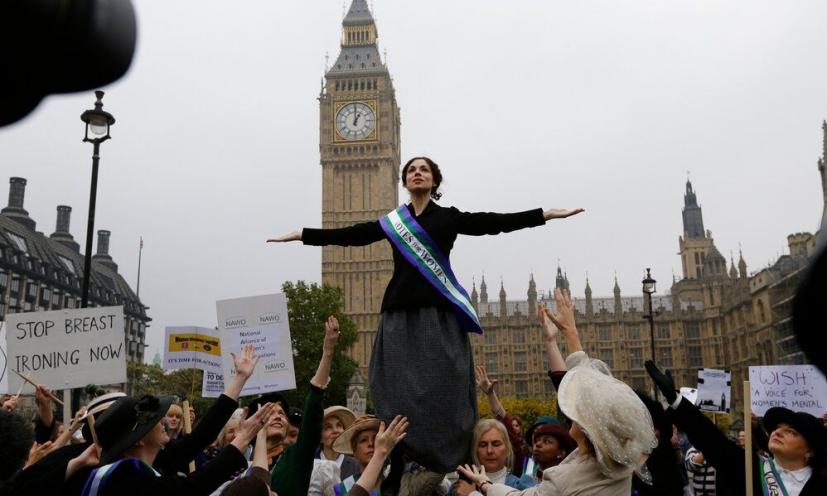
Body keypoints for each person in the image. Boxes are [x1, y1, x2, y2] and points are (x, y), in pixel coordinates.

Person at [269, 156, 584, 483]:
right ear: (404, 181)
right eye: (411, 170)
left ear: (434, 181)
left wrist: (543, 215)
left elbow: (492, 222)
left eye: (424, 170)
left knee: (447, 385)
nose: (417, 173)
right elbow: (353, 234)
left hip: (438, 315)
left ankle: (450, 462)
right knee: (393, 387)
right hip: (398, 315)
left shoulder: (447, 217)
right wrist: (303, 234)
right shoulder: (394, 221)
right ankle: (400, 458)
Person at [458, 287, 657, 495]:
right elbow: (589, 388)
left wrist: (483, 486)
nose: (574, 414)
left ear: (590, 429)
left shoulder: (563, 478)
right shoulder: (622, 462)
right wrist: (569, 334)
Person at [647, 360, 827, 495]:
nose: (778, 432)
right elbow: (711, 439)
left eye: (791, 432)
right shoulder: (748, 467)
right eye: (777, 428)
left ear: (810, 450)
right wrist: (675, 399)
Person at [66, 395, 277, 496]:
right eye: (153, 421)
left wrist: (239, 378)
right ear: (138, 439)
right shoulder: (125, 479)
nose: (163, 421)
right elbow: (192, 487)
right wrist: (244, 437)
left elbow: (198, 439)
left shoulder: (149, 467)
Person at [452, 419, 536, 496]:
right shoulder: (461, 486)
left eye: (496, 444)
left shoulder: (523, 487)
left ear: (507, 448)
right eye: (483, 445)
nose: (489, 450)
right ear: (475, 450)